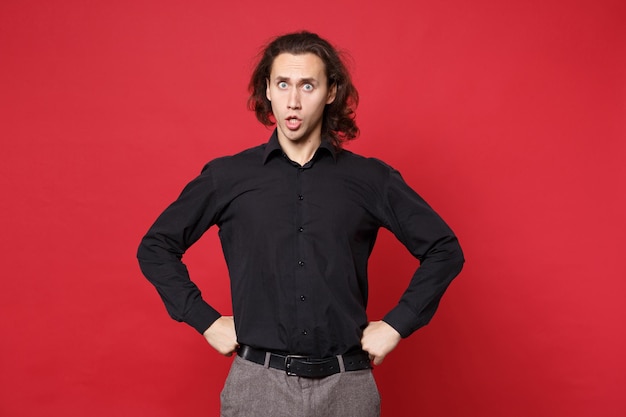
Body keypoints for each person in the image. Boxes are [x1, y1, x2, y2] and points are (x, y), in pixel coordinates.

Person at [137, 31, 464, 417]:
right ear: (267, 91)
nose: (293, 101)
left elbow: (444, 250)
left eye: (308, 85)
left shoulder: (371, 179)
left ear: (330, 92)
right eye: (283, 84)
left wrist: (396, 325)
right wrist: (205, 320)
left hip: (347, 387)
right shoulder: (228, 176)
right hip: (257, 386)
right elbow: (156, 247)